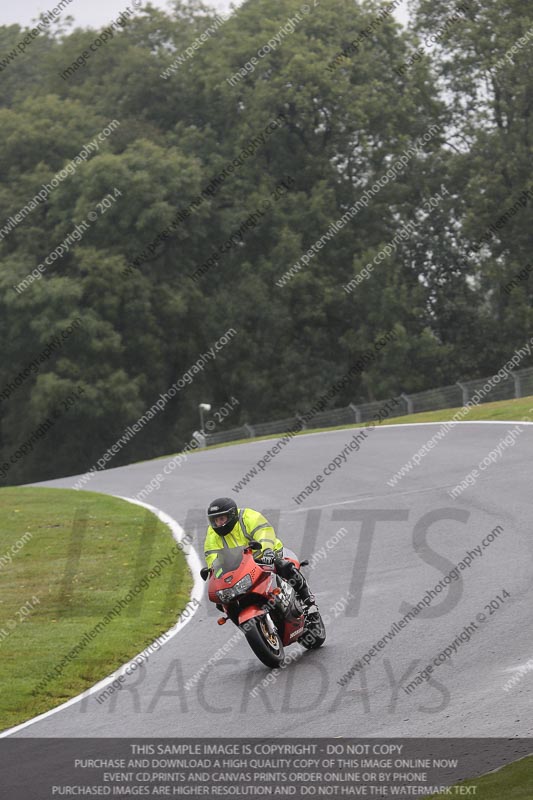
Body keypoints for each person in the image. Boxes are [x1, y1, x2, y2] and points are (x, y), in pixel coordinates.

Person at [203, 497, 318, 615]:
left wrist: (267, 550)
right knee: (222, 601)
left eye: (222, 519)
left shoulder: (248, 517)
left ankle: (309, 602)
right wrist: (214, 571)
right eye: (216, 520)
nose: (219, 523)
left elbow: (264, 531)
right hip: (242, 567)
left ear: (232, 515)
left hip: (267, 555)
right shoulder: (212, 533)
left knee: (284, 566)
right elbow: (211, 554)